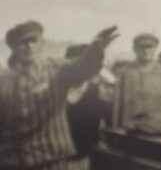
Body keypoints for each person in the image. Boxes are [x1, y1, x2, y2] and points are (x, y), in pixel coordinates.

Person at [0, 21, 119, 170]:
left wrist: (95, 49)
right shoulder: (3, 79)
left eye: (33, 40)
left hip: (52, 158)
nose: (29, 46)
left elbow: (83, 67)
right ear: (13, 48)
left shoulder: (56, 68)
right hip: (14, 161)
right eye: (22, 43)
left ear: (42, 43)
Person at [64, 44, 114, 167]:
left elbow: (109, 117)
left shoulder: (98, 88)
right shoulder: (58, 86)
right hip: (61, 151)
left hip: (87, 150)